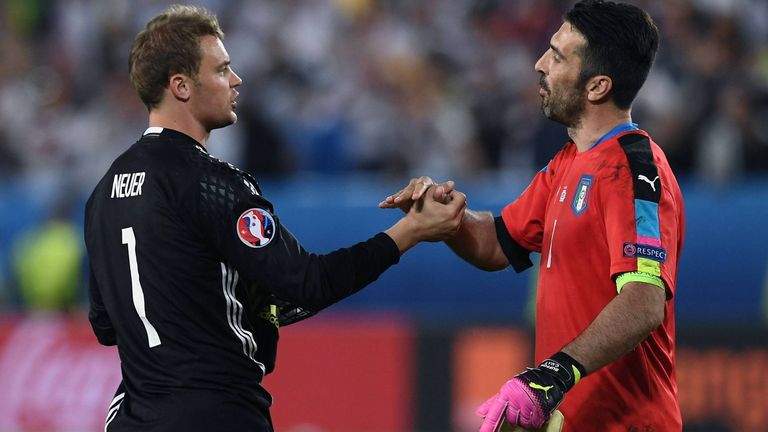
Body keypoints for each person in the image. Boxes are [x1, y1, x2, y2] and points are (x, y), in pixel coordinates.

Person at [84, 6, 466, 432]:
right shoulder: (212, 183)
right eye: (222, 68)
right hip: (219, 413)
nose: (236, 80)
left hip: (133, 417)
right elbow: (308, 281)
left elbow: (105, 324)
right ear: (181, 85)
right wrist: (410, 231)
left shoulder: (101, 194)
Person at [381, 1, 684, 430]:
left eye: (558, 56)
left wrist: (553, 374)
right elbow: (497, 244)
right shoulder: (567, 162)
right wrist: (452, 219)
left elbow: (644, 300)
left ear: (597, 86)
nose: (539, 64)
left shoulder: (632, 169)